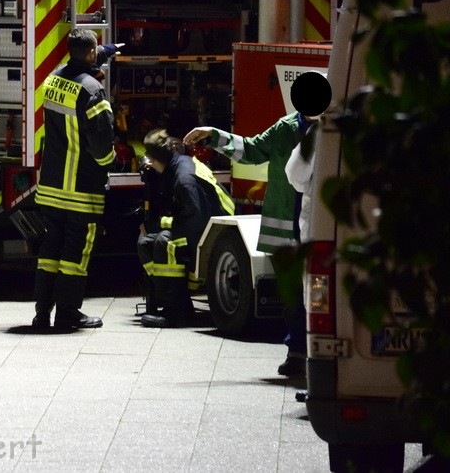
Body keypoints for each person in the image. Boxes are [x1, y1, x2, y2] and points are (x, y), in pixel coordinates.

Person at [182, 70, 331, 376]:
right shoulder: (286, 129)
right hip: (288, 230)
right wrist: (214, 135)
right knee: (294, 299)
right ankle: (298, 353)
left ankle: (322, 355)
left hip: (321, 230)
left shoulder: (337, 131)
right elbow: (249, 151)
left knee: (321, 297)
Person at [32, 30, 119, 331]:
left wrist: (104, 52)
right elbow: (101, 142)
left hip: (52, 186)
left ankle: (42, 313)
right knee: (75, 253)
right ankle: (68, 313)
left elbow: (78, 68)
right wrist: (110, 164)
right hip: (81, 188)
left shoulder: (53, 80)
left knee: (50, 250)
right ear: (92, 54)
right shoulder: (94, 91)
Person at [137, 129, 235, 328]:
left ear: (158, 158)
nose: (149, 163)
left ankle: (176, 313)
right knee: (145, 242)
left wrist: (156, 225)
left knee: (165, 241)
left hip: (214, 230)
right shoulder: (177, 165)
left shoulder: (183, 179)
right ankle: (175, 302)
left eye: (150, 158)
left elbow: (193, 219)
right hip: (207, 222)